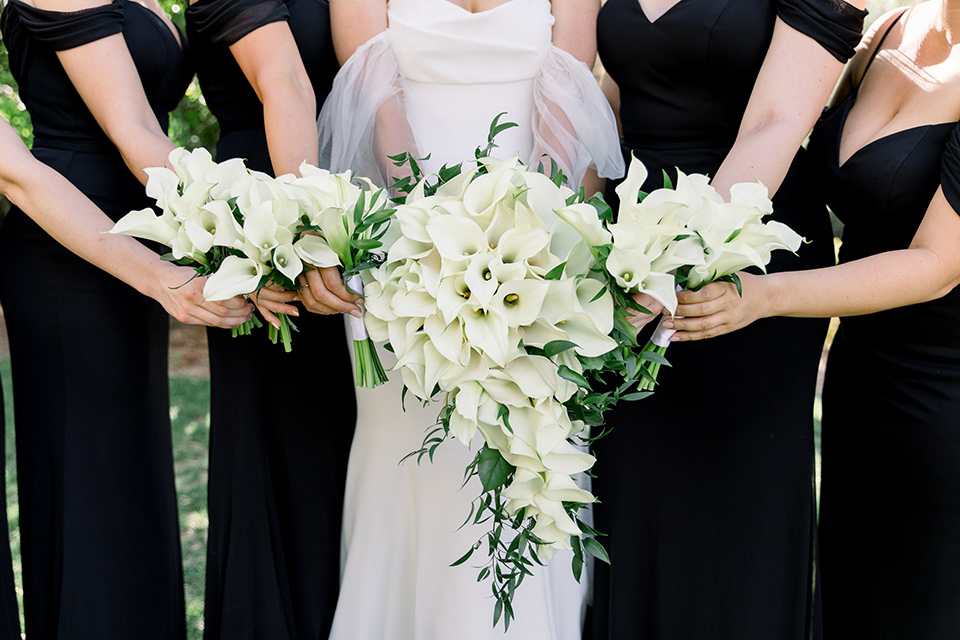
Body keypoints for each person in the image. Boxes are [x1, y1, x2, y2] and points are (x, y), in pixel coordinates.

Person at [317, 1, 623, 638]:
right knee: (407, 455)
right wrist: (430, 237)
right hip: (401, 244)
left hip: (538, 240)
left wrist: (525, 231)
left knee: (531, 444)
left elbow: (569, 86)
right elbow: (376, 92)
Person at [661, 3, 960, 635]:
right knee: (848, 602)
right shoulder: (888, 29)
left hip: (942, 400)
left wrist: (764, 296)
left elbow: (937, 264)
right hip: (859, 380)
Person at [588, 0, 867, 637]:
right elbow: (619, 90)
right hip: (625, 258)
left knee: (732, 520)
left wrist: (671, 265)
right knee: (634, 503)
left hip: (738, 259)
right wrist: (578, 233)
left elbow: (774, 123)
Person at [0, 0, 244, 635]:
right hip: (71, 245)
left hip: (138, 233)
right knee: (91, 482)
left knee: (132, 475)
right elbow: (131, 126)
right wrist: (246, 238)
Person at [183, 1, 360, 637]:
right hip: (271, 215)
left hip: (343, 212)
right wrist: (304, 228)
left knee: (343, 452)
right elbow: (282, 79)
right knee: (280, 451)